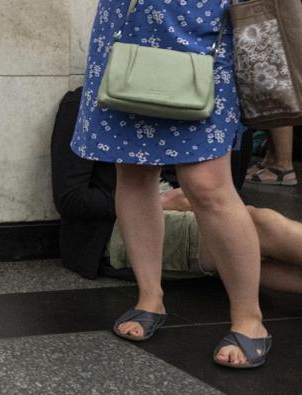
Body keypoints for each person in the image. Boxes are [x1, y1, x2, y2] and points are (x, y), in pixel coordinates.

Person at [72, 0, 285, 368]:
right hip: (125, 54)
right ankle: (149, 298)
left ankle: (247, 316)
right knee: (133, 178)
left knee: (208, 185)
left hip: (201, 49)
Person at [54, 87, 302, 293]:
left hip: (184, 204)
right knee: (261, 226)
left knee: (254, 251)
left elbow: (228, 182)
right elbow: (72, 199)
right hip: (114, 229)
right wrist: (161, 202)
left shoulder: (189, 97)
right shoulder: (83, 102)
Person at [246, 0, 302, 186]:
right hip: (288, 15)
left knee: (275, 91)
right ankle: (273, 160)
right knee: (274, 89)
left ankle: (283, 165)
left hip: (278, 15)